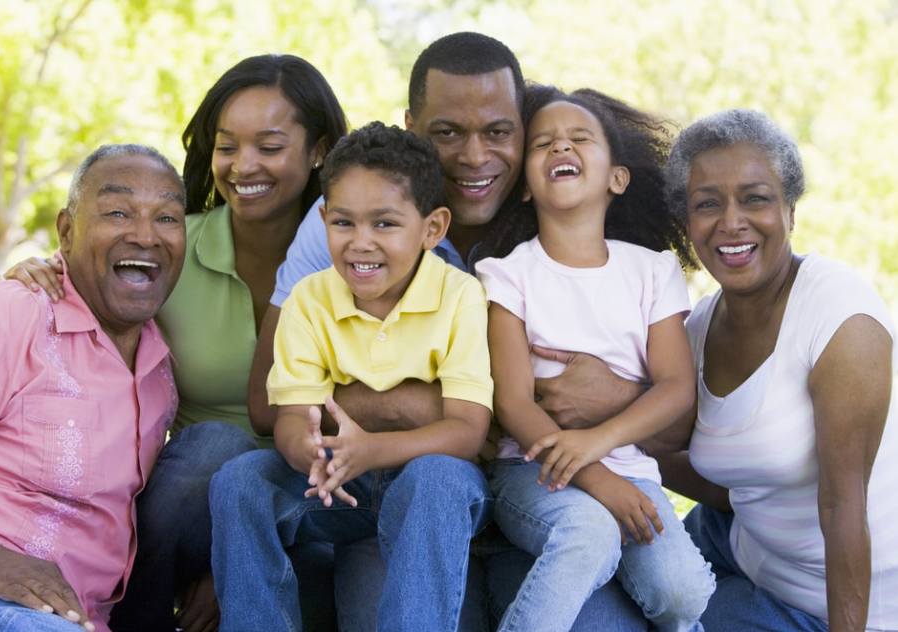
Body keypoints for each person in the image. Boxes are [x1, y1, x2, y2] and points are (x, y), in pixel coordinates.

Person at [249, 31, 650, 631]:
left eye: (497, 131)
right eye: (446, 133)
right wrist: (444, 409)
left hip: (540, 497)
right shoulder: (347, 223)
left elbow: (681, 413)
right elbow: (267, 402)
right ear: (411, 127)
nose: (473, 155)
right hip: (407, 495)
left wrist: (622, 397)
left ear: (523, 126)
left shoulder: (568, 210)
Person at [2, 54, 349, 632]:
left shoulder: (358, 256)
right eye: (227, 145)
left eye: (268, 145)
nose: (243, 166)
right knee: (214, 448)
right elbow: (84, 281)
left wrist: (233, 560)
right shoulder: (170, 242)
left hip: (317, 490)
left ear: (319, 150)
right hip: (186, 505)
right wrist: (35, 270)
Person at [209, 121, 494, 631]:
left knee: (438, 479)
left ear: (432, 228)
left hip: (427, 486)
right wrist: (313, 456)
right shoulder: (309, 299)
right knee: (241, 481)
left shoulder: (459, 295)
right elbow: (293, 417)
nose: (361, 244)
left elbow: (468, 430)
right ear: (323, 220)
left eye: (385, 224)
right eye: (344, 223)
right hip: (339, 483)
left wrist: (370, 450)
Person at [474, 85, 713, 631]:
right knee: (590, 536)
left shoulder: (653, 271)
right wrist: (594, 473)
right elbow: (512, 402)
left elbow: (676, 386)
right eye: (543, 144)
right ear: (527, 187)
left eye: (579, 139)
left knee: (680, 594)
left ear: (617, 178)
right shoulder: (506, 276)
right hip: (535, 472)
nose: (561, 148)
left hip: (634, 473)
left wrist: (600, 444)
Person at [658, 109, 898, 631]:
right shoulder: (697, 327)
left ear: (790, 211)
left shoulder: (840, 317)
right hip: (741, 543)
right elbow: (728, 478)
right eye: (707, 204)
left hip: (833, 599)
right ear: (688, 224)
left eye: (755, 198)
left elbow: (841, 508)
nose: (731, 221)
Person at [0, 144, 185, 632]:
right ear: (65, 231)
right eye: (117, 212)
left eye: (167, 218)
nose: (145, 235)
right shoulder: (9, 316)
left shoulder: (159, 370)